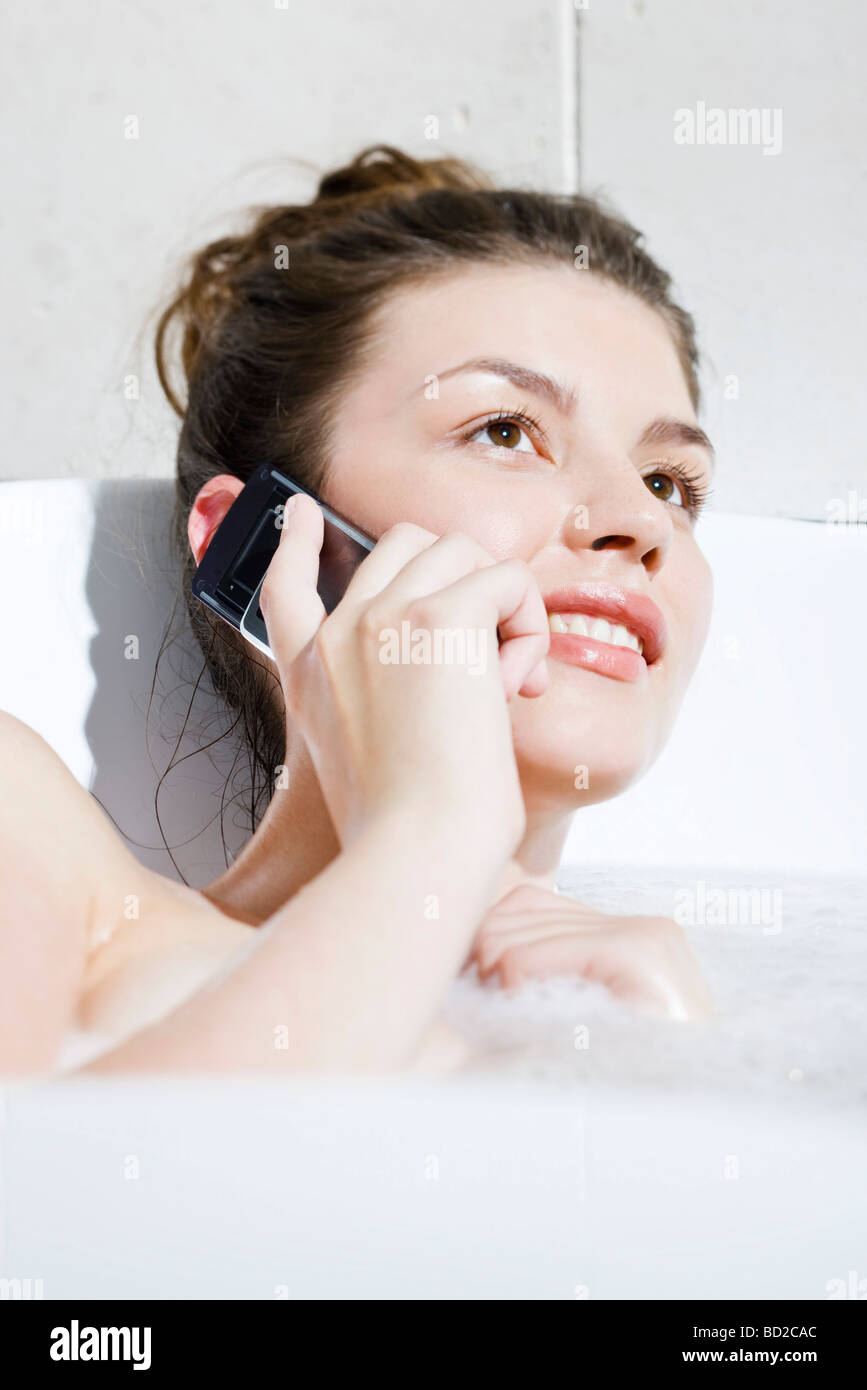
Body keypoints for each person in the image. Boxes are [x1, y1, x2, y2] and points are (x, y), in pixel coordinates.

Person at [0, 145, 715, 1078]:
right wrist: (430, 832)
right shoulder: (24, 819)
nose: (636, 520)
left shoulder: (652, 987)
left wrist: (666, 1059)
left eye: (669, 480)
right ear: (256, 544)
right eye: (503, 431)